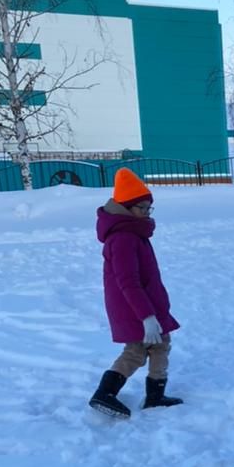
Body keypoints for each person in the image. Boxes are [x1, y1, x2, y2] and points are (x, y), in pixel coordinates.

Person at [88, 167, 182, 419]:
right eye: (142, 207)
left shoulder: (134, 232)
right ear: (127, 208)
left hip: (147, 304)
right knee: (137, 350)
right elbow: (127, 281)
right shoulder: (122, 237)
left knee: (160, 345)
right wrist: (146, 316)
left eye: (149, 208)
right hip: (136, 307)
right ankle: (105, 392)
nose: (147, 213)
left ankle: (155, 394)